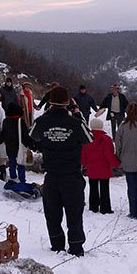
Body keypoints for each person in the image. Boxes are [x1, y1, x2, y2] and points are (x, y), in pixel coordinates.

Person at [29, 86, 93, 256]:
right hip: (71, 175)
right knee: (74, 214)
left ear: (50, 103)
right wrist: (78, 113)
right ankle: (76, 247)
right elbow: (89, 138)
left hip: (52, 175)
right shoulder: (75, 123)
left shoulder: (43, 122)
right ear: (68, 103)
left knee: (52, 214)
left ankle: (57, 245)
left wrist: (47, 115)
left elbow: (33, 134)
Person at [81, 118, 120, 214]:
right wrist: (117, 164)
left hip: (92, 168)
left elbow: (83, 155)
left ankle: (93, 207)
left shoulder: (87, 139)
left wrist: (83, 164)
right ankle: (105, 208)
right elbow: (109, 155)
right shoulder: (106, 139)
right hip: (104, 168)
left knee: (93, 188)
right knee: (104, 189)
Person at [0, 102, 33, 185]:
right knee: (20, 163)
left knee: (12, 163)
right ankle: (22, 180)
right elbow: (25, 135)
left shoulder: (5, 121)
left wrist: (0, 140)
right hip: (19, 146)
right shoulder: (20, 121)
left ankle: (13, 178)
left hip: (9, 147)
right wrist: (30, 145)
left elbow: (3, 134)